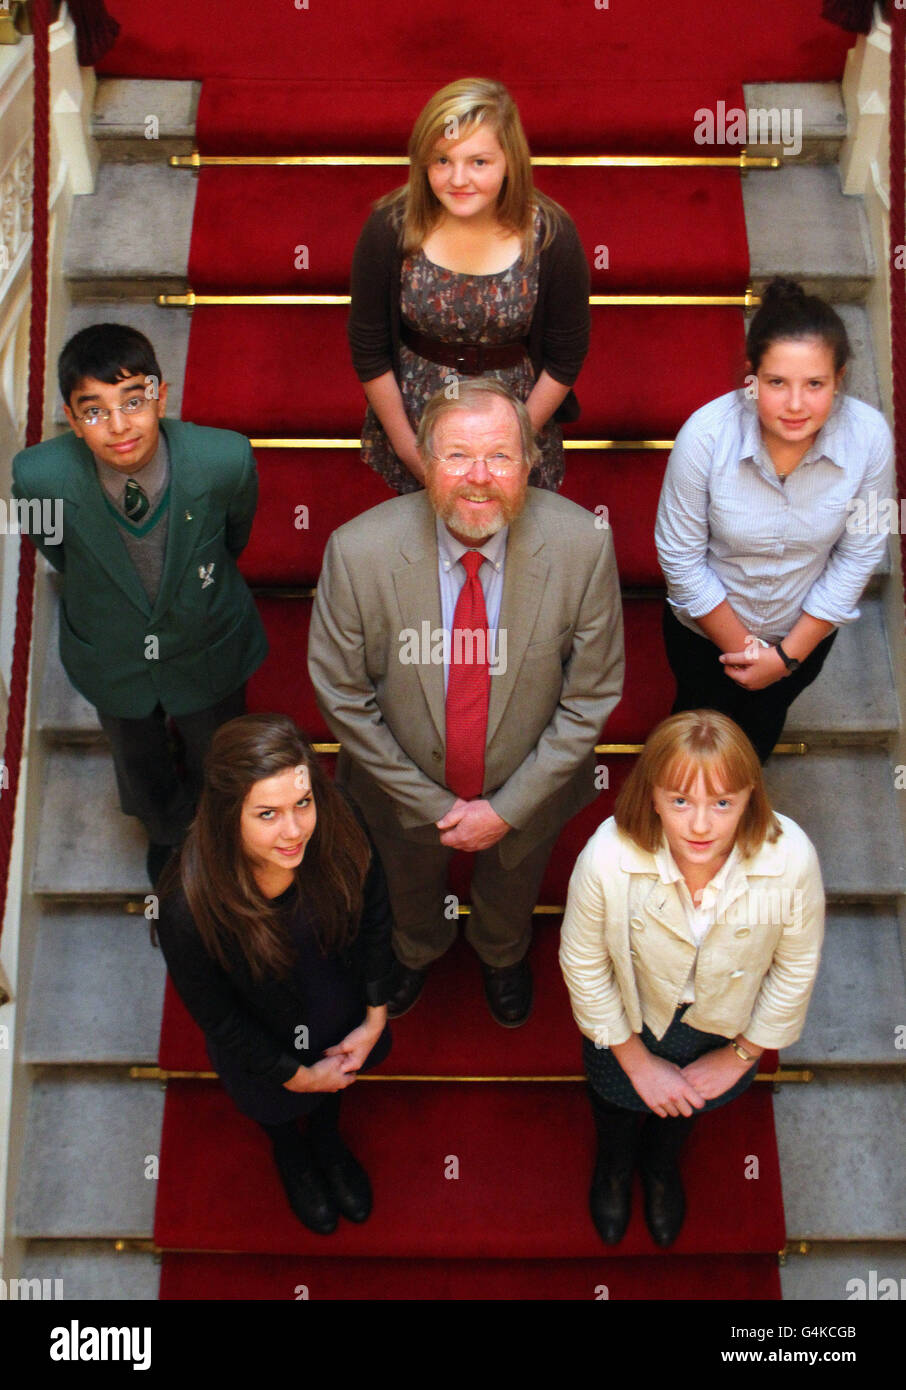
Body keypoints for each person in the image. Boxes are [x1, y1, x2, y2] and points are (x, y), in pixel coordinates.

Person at [308, 378, 624, 1028]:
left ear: (530, 461)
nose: (479, 479)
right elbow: (342, 695)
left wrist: (505, 810)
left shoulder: (583, 546)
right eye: (456, 456)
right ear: (423, 461)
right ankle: (417, 946)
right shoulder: (356, 552)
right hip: (402, 791)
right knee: (408, 882)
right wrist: (436, 806)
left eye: (500, 457)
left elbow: (590, 696)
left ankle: (501, 951)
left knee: (513, 884)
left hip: (528, 788)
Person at [12, 323, 268, 883]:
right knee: (137, 759)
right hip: (111, 652)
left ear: (161, 396)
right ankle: (168, 832)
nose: (120, 425)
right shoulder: (35, 478)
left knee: (218, 750)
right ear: (73, 420)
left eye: (133, 401)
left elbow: (232, 541)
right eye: (96, 410)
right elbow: (58, 551)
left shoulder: (225, 459)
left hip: (206, 641)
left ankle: (216, 832)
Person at [559, 710, 824, 1248]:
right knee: (613, 1101)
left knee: (687, 1106)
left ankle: (659, 1166)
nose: (700, 825)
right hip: (628, 1019)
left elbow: (796, 965)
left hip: (723, 1024)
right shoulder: (606, 856)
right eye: (680, 800)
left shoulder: (790, 856)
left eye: (722, 802)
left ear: (750, 797)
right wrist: (635, 1060)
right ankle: (613, 1166)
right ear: (652, 796)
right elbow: (583, 964)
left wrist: (741, 1054)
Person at [155, 714, 394, 1235]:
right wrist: (298, 1076)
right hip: (263, 1049)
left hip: (342, 1017)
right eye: (267, 814)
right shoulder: (186, 906)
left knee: (336, 1092)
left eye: (302, 803)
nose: (294, 831)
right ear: (226, 816)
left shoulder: (340, 819)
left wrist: (375, 1016)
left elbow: (376, 915)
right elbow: (218, 1017)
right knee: (280, 1114)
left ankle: (328, 1143)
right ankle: (292, 1155)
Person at [654, 277, 894, 762]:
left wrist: (783, 660)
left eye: (815, 384)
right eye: (777, 382)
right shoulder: (704, 436)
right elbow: (679, 557)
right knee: (692, 751)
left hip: (800, 640)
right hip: (706, 636)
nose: (796, 405)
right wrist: (749, 654)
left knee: (754, 747)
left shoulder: (869, 437)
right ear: (751, 377)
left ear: (839, 379)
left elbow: (860, 553)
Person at [347, 76, 591, 495]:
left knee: (513, 553)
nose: (458, 179)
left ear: (510, 160)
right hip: (417, 421)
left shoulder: (551, 234)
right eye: (442, 160)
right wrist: (412, 453)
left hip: (517, 420)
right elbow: (369, 349)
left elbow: (566, 356)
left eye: (478, 162)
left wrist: (508, 448)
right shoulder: (390, 227)